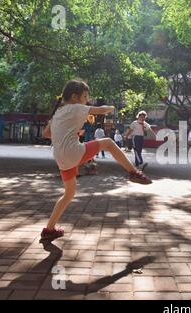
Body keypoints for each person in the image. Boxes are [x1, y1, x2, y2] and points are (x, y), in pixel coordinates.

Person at [41, 80, 151, 242]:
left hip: (61, 158)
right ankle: (134, 172)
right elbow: (102, 110)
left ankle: (49, 230)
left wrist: (70, 133)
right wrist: (114, 107)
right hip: (73, 153)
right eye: (85, 97)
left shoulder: (58, 112)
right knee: (107, 142)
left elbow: (46, 134)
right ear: (74, 97)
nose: (87, 100)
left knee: (69, 193)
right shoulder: (77, 107)